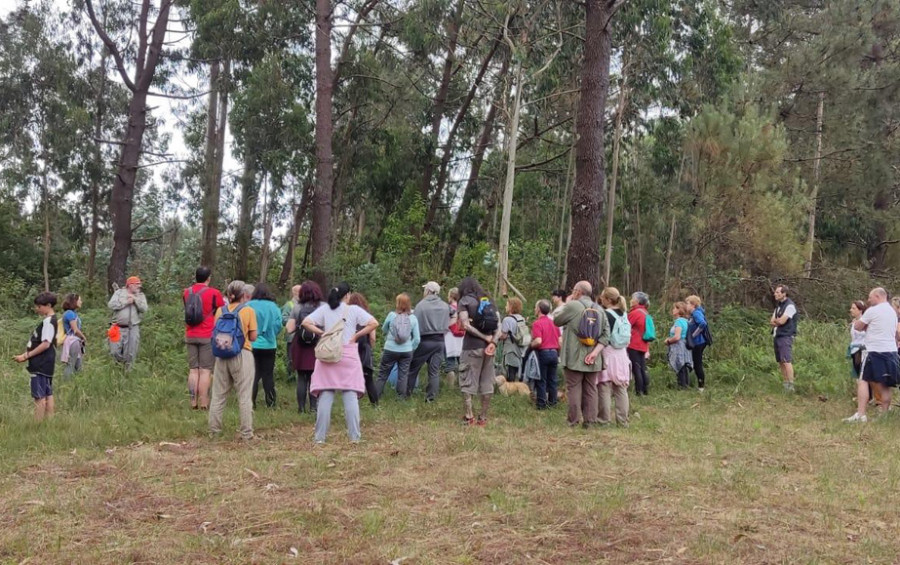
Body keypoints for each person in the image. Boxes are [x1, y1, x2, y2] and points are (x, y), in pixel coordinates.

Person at [301, 282, 378, 443]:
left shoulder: (324, 309)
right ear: (347, 295)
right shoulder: (354, 310)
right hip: (348, 354)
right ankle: (354, 437)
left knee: (325, 395)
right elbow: (373, 323)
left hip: (328, 354)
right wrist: (356, 336)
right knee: (350, 395)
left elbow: (306, 323)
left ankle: (320, 438)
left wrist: (322, 333)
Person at [553, 281, 609, 427]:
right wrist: (595, 353)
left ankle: (573, 421)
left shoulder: (573, 306)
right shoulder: (600, 309)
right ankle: (590, 421)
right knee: (591, 389)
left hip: (574, 356)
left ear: (577, 292)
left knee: (574, 388)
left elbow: (557, 320)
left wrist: (567, 302)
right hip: (593, 358)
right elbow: (606, 335)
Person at [208, 280, 258, 440]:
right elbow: (253, 336)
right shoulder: (248, 311)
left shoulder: (220, 311)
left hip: (221, 355)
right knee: (244, 395)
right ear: (244, 295)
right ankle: (246, 433)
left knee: (218, 395)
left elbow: (215, 332)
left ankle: (214, 431)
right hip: (242, 354)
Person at [846, 287, 900, 421]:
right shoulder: (892, 312)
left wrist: (865, 324)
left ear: (877, 296)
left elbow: (858, 326)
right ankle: (884, 415)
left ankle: (861, 414)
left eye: (870, 297)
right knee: (886, 383)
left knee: (863, 380)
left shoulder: (873, 310)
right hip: (891, 352)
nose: (868, 300)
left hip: (875, 350)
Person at [457, 277, 501, 425]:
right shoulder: (489, 301)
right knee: (487, 382)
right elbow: (499, 326)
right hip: (489, 350)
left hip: (471, 347)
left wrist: (484, 337)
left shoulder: (464, 301)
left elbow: (465, 325)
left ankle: (469, 417)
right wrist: (493, 342)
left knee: (468, 380)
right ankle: (483, 417)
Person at [13, 292, 58, 421]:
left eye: (39, 306)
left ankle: (37, 424)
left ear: (48, 305)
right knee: (48, 393)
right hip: (46, 363)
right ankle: (49, 423)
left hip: (40, 364)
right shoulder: (50, 321)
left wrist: (27, 355)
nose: (37, 309)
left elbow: (45, 344)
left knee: (39, 396)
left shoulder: (49, 322)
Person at [183, 266, 224, 409]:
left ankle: (192, 402)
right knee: (205, 370)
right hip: (207, 334)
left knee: (193, 370)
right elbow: (221, 310)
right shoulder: (214, 293)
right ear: (209, 278)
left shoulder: (186, 292)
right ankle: (204, 403)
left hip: (190, 334)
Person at [407, 281, 450, 401]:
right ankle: (431, 398)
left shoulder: (421, 305)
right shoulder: (444, 305)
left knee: (413, 368)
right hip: (440, 341)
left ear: (428, 291)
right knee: (434, 371)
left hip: (424, 340)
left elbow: (414, 323)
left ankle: (406, 394)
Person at [286, 281, 325, 413]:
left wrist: (299, 325)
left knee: (302, 378)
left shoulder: (297, 307)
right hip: (318, 346)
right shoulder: (323, 307)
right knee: (315, 377)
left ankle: (301, 408)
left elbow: (289, 329)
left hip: (301, 346)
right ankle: (314, 408)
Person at [374, 293, 421, 401]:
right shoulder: (413, 318)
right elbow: (417, 338)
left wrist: (390, 336)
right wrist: (411, 347)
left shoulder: (391, 315)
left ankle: (376, 397)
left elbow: (384, 329)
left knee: (382, 374)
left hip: (390, 349)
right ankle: (400, 398)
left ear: (398, 304)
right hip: (406, 351)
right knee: (403, 375)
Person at [598, 287, 630, 426]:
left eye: (603, 298)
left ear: (608, 300)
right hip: (622, 353)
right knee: (621, 388)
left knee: (604, 386)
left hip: (608, 351)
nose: (601, 300)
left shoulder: (605, 314)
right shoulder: (623, 313)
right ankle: (623, 420)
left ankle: (604, 419)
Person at [248, 283, 283, 409]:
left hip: (252, 344)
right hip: (269, 345)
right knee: (268, 375)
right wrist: (272, 334)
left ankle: (251, 403)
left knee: (253, 375)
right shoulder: (273, 307)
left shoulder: (249, 305)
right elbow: (279, 324)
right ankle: (271, 402)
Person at [108, 276, 148, 368]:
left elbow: (144, 309)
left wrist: (135, 300)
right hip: (116, 327)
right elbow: (111, 305)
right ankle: (118, 367)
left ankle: (127, 374)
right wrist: (126, 302)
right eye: (137, 284)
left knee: (130, 353)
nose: (139, 286)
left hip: (132, 328)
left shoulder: (141, 296)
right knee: (114, 352)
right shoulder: (119, 293)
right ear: (130, 285)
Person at [348, 292, 378, 405]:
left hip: (351, 348)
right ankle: (375, 404)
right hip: (364, 348)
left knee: (351, 378)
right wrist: (371, 348)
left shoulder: (348, 315)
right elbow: (373, 337)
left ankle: (353, 403)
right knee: (369, 379)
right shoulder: (367, 315)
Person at [530, 299, 559, 410]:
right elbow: (560, 340)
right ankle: (553, 402)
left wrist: (530, 346)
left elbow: (538, 341)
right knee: (552, 379)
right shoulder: (554, 323)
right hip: (554, 353)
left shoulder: (537, 323)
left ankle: (541, 404)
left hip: (543, 353)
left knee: (541, 379)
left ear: (538, 309)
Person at [770, 285, 797, 392]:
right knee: (780, 361)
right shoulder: (779, 307)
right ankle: (785, 383)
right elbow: (772, 321)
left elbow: (781, 321)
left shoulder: (790, 306)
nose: (775, 294)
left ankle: (791, 385)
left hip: (785, 336)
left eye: (777, 292)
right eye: (775, 292)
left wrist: (777, 321)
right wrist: (777, 321)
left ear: (784, 293)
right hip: (777, 335)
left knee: (786, 360)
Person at [627, 292, 652, 396]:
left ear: (636, 301)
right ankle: (645, 390)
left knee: (636, 368)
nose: (630, 300)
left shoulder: (635, 313)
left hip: (634, 344)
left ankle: (639, 392)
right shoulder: (645, 312)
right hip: (643, 344)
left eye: (632, 298)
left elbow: (626, 326)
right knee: (642, 367)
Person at [498, 297, 527, 382]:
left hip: (510, 348)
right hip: (519, 348)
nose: (505, 307)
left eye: (507, 305)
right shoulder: (521, 318)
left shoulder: (507, 319)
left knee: (510, 370)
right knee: (517, 369)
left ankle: (510, 390)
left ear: (511, 307)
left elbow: (503, 335)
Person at [665, 302, 693, 389]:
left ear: (679, 310)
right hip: (685, 345)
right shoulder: (686, 321)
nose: (673, 310)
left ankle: (682, 386)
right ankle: (686, 385)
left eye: (675, 308)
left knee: (680, 365)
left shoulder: (679, 322)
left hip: (679, 346)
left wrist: (668, 341)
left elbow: (677, 336)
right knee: (684, 365)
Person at [685, 295, 709, 392]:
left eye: (687, 303)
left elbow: (703, 324)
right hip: (698, 342)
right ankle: (700, 385)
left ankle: (701, 387)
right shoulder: (694, 314)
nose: (686, 305)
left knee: (697, 364)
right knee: (696, 363)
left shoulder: (696, 313)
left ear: (693, 305)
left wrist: (693, 335)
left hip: (698, 342)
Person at [60, 293, 87, 379]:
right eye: (79, 300)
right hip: (73, 340)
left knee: (78, 365)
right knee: (71, 364)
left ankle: (77, 383)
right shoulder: (70, 314)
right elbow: (75, 330)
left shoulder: (72, 313)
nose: (81, 302)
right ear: (74, 301)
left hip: (75, 341)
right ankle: (66, 382)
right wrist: (83, 337)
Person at [282, 284, 302, 382]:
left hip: (303, 337)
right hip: (292, 337)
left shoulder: (305, 304)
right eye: (300, 291)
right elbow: (284, 319)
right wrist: (294, 323)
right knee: (291, 357)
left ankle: (300, 376)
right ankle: (290, 378)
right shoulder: (289, 305)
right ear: (295, 293)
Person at [443, 287, 464, 380]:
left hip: (449, 336)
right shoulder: (463, 309)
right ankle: (462, 384)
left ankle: (450, 386)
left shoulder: (448, 308)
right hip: (462, 337)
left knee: (450, 362)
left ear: (450, 296)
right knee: (462, 362)